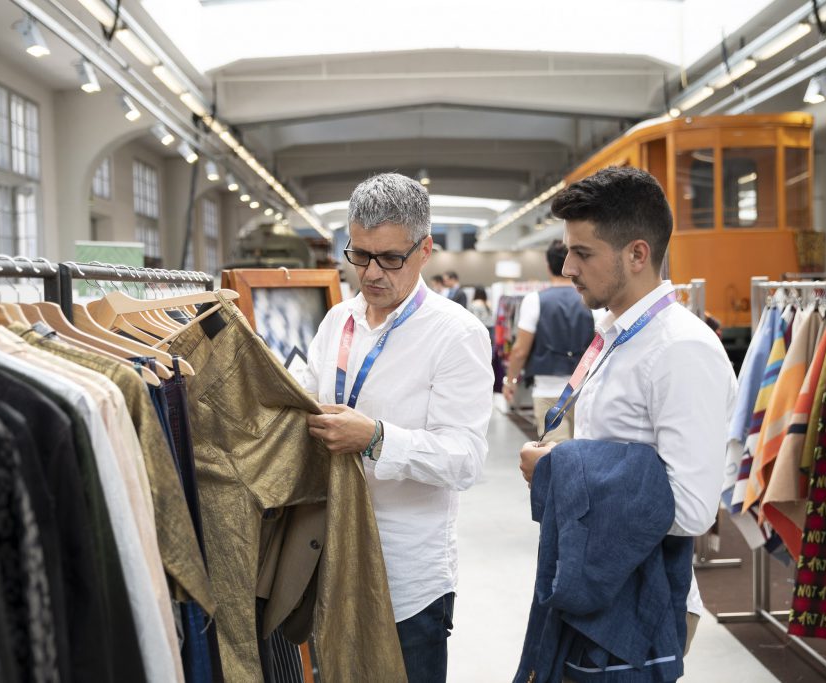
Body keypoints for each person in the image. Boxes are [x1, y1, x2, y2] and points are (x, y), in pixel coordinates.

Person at [518, 166, 737, 656]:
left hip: (645, 602)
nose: (568, 267)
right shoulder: (618, 334)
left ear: (638, 253)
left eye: (583, 253)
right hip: (603, 581)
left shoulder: (681, 350)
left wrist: (563, 470)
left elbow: (691, 508)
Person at [300, 172, 494, 683]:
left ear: (425, 249)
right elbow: (303, 396)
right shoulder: (337, 321)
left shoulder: (456, 336)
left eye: (390, 258)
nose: (371, 273)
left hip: (405, 580)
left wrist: (377, 440)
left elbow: (466, 459)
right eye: (359, 255)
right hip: (330, 559)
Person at [501, 240, 595, 441]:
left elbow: (520, 350)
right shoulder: (590, 299)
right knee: (585, 456)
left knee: (555, 456)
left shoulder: (534, 300)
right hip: (585, 390)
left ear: (548, 265)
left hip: (547, 391)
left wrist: (510, 381)